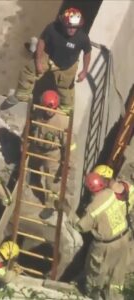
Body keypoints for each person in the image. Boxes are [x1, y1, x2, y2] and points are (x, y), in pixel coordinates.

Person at [10, 7, 91, 114]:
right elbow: (42, 42)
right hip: (49, 56)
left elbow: (87, 53)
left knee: (66, 89)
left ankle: (65, 111)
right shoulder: (52, 28)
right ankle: (22, 96)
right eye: (69, 26)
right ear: (64, 24)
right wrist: (38, 61)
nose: (72, 29)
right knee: (29, 70)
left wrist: (84, 71)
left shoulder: (82, 38)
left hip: (67, 65)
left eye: (75, 27)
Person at [73, 172, 131, 300]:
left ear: (89, 189)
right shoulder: (111, 194)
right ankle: (115, 296)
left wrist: (71, 218)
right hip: (123, 238)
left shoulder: (92, 208)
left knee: (95, 270)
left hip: (106, 245)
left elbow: (81, 227)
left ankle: (93, 294)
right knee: (118, 272)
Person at [28, 90, 73, 219]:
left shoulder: (63, 121)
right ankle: (34, 183)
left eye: (52, 109)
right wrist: (24, 141)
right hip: (36, 148)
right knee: (32, 169)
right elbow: (30, 127)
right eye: (47, 108)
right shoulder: (37, 112)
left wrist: (66, 165)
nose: (49, 111)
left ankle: (50, 205)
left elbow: (69, 146)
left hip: (52, 154)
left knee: (51, 181)